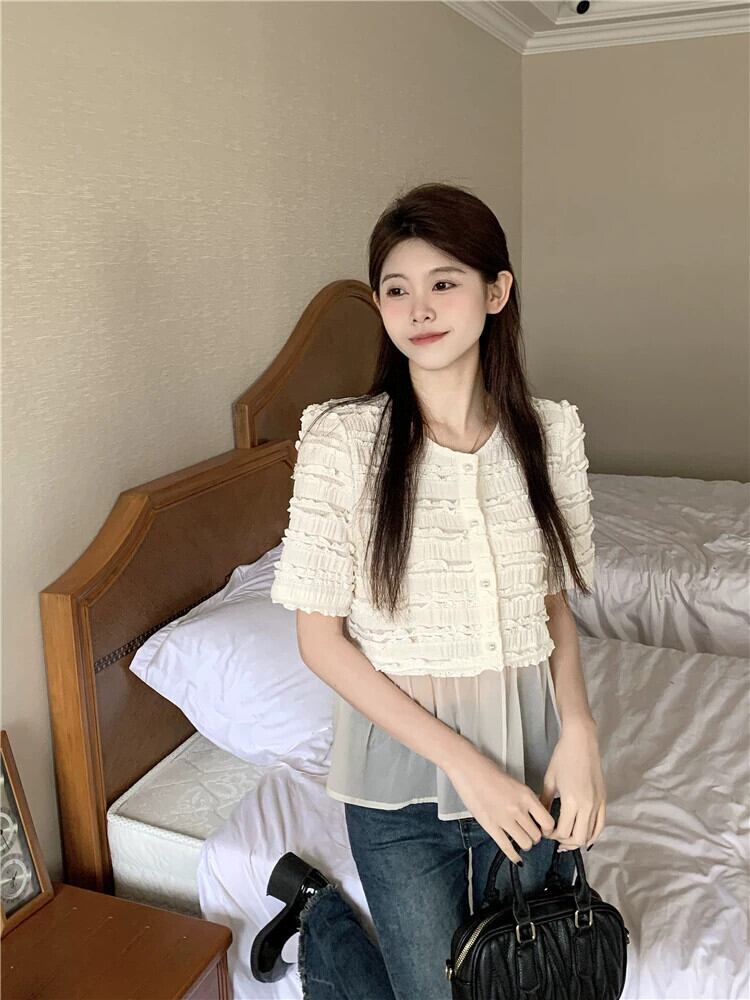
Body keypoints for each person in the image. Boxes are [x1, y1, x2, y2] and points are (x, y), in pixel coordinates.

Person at [255, 181, 607, 1000]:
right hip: (402, 792)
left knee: (525, 975)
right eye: (395, 289)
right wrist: (466, 769)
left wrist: (581, 732)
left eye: (444, 282)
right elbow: (320, 642)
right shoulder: (345, 441)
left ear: (496, 291)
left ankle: (311, 907)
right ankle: (321, 916)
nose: (418, 308)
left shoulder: (549, 434)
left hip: (529, 763)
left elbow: (550, 604)